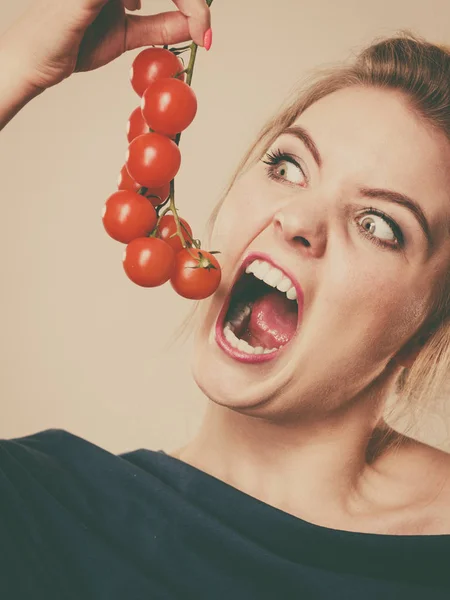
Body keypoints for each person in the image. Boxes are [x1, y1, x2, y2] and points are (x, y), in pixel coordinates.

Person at [1, 0, 450, 598]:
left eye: (378, 224)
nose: (297, 217)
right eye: (287, 165)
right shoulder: (46, 508)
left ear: (428, 323)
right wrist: (12, 64)